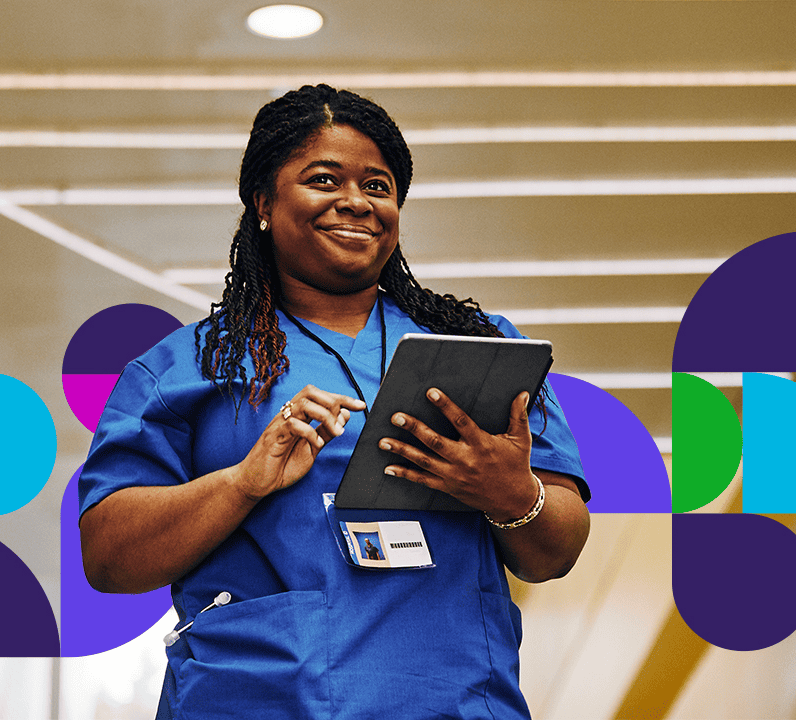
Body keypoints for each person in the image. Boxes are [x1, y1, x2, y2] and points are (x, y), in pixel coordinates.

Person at [78, 84, 590, 720]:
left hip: (452, 700)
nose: (356, 202)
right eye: (324, 179)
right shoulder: (183, 370)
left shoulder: (480, 351)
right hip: (256, 702)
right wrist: (242, 483)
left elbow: (558, 549)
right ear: (263, 202)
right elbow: (107, 556)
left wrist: (510, 493)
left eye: (378, 186)